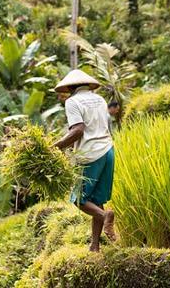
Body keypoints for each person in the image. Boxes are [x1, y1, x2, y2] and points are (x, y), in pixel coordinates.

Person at [54, 69, 116, 252]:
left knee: (79, 199)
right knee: (96, 199)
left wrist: (56, 146)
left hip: (90, 154)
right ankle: (94, 246)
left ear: (70, 88)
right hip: (108, 151)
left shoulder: (72, 102)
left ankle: (105, 216)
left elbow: (78, 130)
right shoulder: (100, 100)